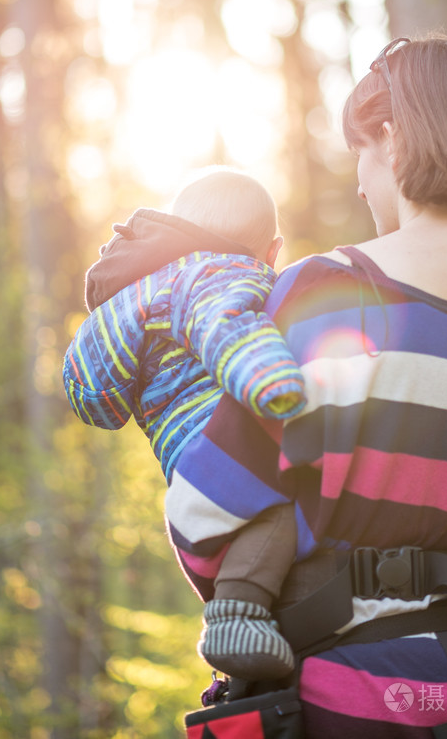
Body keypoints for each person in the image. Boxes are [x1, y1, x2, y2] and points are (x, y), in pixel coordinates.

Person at [163, 36, 447, 738]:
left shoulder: (330, 288)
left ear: (391, 140)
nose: (360, 183)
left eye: (359, 155)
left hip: (351, 695)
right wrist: (436, 559)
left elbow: (208, 507)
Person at [64, 168, 308, 680]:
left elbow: (90, 387)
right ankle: (236, 614)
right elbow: (225, 326)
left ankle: (247, 613)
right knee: (287, 505)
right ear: (272, 250)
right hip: (226, 448)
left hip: (185, 468)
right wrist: (270, 379)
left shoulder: (134, 296)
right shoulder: (218, 275)